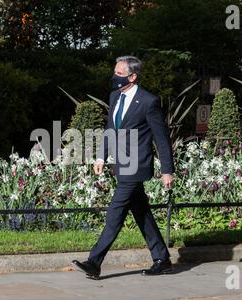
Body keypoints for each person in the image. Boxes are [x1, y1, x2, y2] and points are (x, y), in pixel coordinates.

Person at [72, 56, 175, 279]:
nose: (115, 77)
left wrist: (167, 170)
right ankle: (162, 258)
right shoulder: (115, 96)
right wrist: (101, 157)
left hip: (136, 165)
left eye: (119, 73)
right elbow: (111, 128)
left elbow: (162, 138)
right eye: (115, 72)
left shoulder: (148, 101)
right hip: (121, 163)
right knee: (141, 212)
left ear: (132, 76)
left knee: (115, 213)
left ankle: (94, 262)